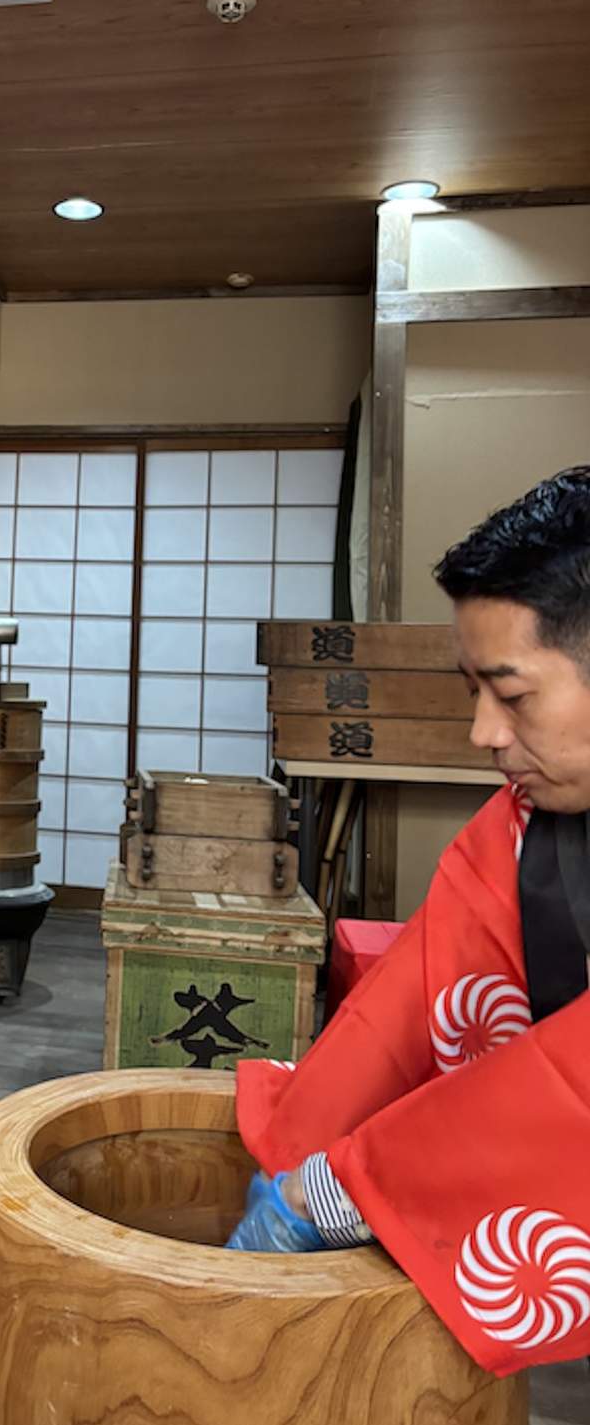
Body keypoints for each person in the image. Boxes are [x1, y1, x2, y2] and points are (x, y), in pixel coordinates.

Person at [228, 468, 590, 1378]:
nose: (482, 733)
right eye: (473, 692)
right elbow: (421, 990)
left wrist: (353, 1185)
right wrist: (303, 1145)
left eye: (511, 696)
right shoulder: (524, 823)